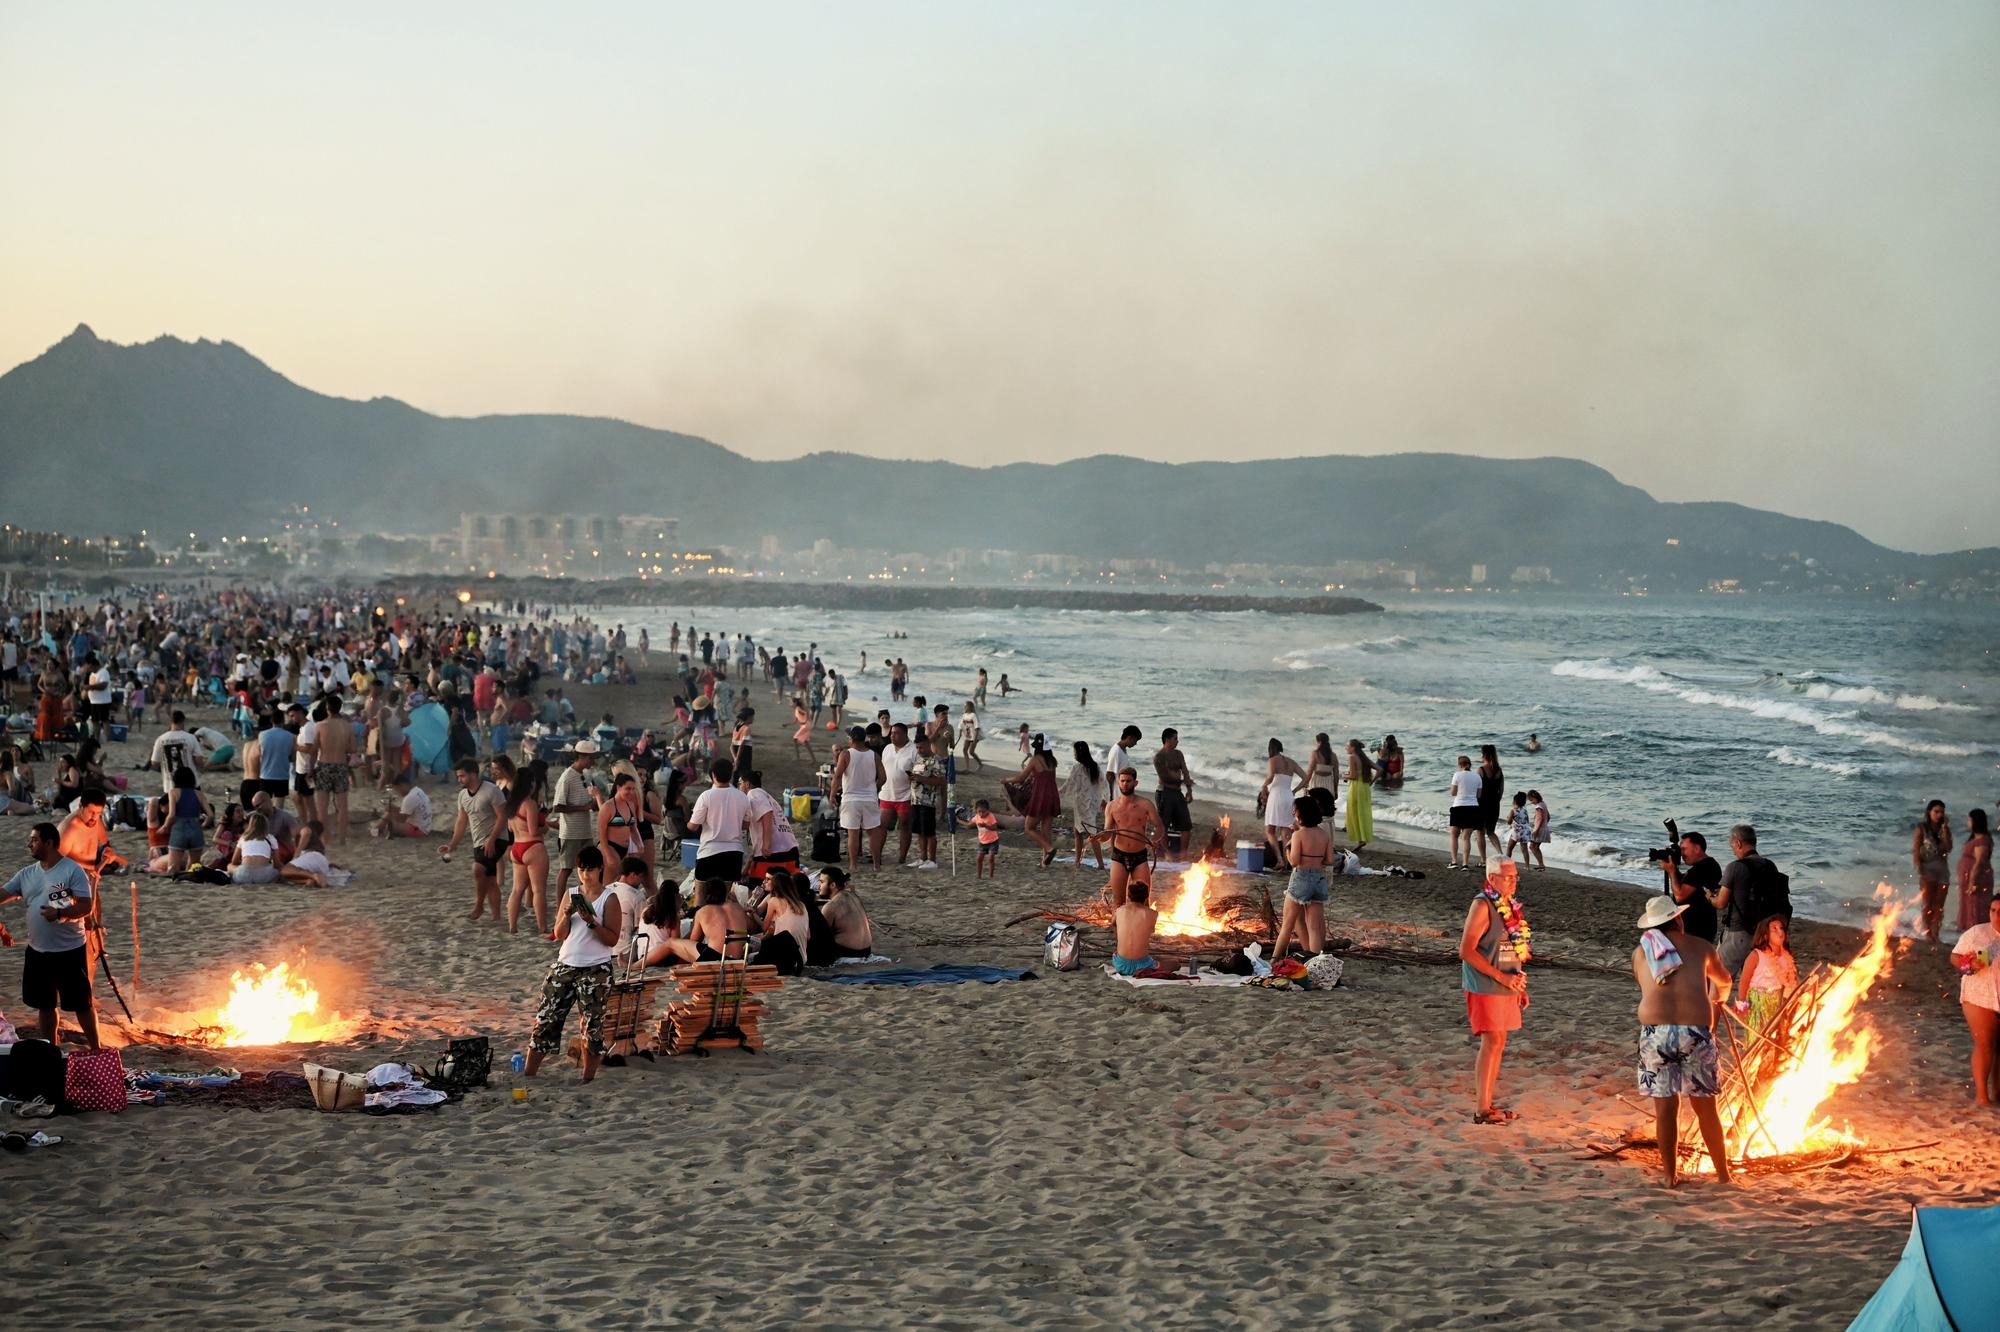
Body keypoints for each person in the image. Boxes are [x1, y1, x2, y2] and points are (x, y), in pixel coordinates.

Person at [1631, 894, 1734, 1187]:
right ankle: (1724, 1176)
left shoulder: (1641, 953)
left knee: (1665, 1109)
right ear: (1678, 919)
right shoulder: (1701, 947)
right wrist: (1718, 999)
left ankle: (1669, 1175)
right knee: (1706, 1108)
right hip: (1694, 1033)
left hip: (1656, 1033)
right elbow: (1724, 979)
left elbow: (1643, 984)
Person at [525, 847, 622, 1084]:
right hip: (566, 963)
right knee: (546, 1018)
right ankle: (529, 1074)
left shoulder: (609, 898)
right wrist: (567, 915)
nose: (585, 874)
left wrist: (592, 923)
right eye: (581, 869)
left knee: (591, 1025)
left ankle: (587, 1078)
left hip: (595, 967)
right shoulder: (571, 893)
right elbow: (559, 934)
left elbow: (612, 939)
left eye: (589, 869)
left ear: (599, 869)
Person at [0, 822, 100, 1047]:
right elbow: (4, 893)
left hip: (69, 950)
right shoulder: (27, 874)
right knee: (45, 1006)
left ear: (49, 843)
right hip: (37, 952)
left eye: (34, 840)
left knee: (81, 1005)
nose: (29, 845)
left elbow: (86, 906)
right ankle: (50, 1051)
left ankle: (96, 1049)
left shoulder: (71, 870)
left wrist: (61, 912)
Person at [1459, 860, 1528, 1125]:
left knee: (1499, 1043)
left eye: (1515, 877)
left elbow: (1512, 945)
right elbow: (1466, 950)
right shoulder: (1482, 904)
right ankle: (1481, 1108)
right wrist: (1499, 976)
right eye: (1507, 877)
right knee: (1491, 1042)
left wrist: (1519, 983)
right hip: (1486, 982)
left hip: (1506, 982)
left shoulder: (1509, 904)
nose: (1512, 881)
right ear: (1491, 877)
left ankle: (1487, 1103)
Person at [1715, 824, 1787, 975]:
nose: (1732, 849)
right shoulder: (1770, 865)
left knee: (1718, 977)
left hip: (1738, 932)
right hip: (1762, 932)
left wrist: (1709, 897)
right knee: (1752, 979)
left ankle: (1716, 1000)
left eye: (1732, 845)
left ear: (1738, 843)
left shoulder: (1734, 867)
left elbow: (1721, 903)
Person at [440, 759, 506, 922]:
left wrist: (492, 839)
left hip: (498, 838)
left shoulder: (492, 790)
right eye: (458, 776)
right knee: (490, 878)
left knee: (477, 869)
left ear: (473, 774)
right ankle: (496, 916)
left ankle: (478, 906)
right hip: (478, 841)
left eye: (462, 776)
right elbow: (461, 822)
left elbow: (502, 817)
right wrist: (452, 845)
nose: (459, 779)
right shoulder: (463, 795)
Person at [1950, 894, 2000, 1105]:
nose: (1996, 916)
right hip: (1979, 996)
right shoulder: (1977, 933)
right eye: (1993, 910)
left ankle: (1998, 1094)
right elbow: (1955, 957)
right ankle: (1982, 1097)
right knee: (1985, 1044)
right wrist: (1968, 966)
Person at [1271, 799, 1333, 960]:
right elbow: (1329, 860)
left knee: (1287, 924)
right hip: (1319, 879)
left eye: (1295, 810)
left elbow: (1294, 861)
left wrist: (1287, 847)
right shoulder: (1324, 835)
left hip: (1301, 877)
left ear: (1301, 814)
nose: (1293, 812)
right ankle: (1315, 962)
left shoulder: (1298, 835)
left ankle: (1273, 959)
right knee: (1314, 928)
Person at [547, 740, 600, 907]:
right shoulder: (567, 777)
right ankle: (559, 906)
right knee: (567, 868)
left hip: (585, 830)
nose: (593, 761)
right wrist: (583, 807)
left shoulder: (584, 775)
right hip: (570, 832)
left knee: (589, 867)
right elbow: (558, 806)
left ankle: (587, 901)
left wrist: (593, 803)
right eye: (591, 758)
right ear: (583, 757)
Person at [1101, 768, 1164, 908]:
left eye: (1128, 781)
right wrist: (1098, 838)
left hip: (1139, 857)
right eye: (1122, 781)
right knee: (1118, 903)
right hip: (1119, 856)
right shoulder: (1111, 806)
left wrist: (1154, 840)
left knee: (1143, 902)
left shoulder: (1145, 804)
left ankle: (1141, 928)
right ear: (1118, 782)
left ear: (1135, 783)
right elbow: (1107, 833)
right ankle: (1117, 928)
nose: (1125, 784)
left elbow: (1159, 827)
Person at [685, 756, 750, 883]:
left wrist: (687, 822)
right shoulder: (742, 797)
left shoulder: (706, 796)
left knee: (701, 896)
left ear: (713, 775)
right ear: (731, 775)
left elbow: (693, 826)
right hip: (734, 852)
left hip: (709, 851)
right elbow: (746, 825)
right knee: (725, 898)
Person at [505, 762, 551, 935]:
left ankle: (512, 927)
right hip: (532, 846)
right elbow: (534, 830)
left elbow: (510, 828)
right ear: (530, 783)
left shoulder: (511, 804)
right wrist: (545, 827)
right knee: (539, 890)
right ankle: (542, 927)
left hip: (517, 847)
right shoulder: (529, 804)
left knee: (517, 890)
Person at [831, 727, 885, 871]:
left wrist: (832, 795)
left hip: (851, 798)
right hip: (870, 798)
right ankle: (876, 865)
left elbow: (837, 776)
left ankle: (853, 864)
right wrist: (874, 787)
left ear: (852, 739)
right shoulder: (873, 755)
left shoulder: (846, 754)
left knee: (853, 833)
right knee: (873, 832)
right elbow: (883, 777)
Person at [1737, 915, 1798, 1034]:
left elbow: (1792, 981)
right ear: (1765, 935)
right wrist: (1742, 1007)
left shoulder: (1787, 957)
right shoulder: (1756, 955)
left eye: (1781, 928)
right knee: (1758, 1038)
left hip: (1778, 1003)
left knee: (1775, 1038)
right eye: (1774, 929)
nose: (1780, 932)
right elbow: (1744, 982)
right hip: (1758, 1004)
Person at [741, 768, 802, 879]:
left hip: (773, 851)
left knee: (756, 890)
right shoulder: (767, 796)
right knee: (787, 889)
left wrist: (766, 844)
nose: (739, 787)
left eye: (740, 783)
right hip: (790, 849)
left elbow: (767, 814)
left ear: (747, 784)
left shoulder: (753, 793)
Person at [1664, 829, 1721, 945]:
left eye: (1684, 849)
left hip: (1697, 928)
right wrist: (1674, 869)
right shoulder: (1706, 865)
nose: (1682, 854)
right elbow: (1687, 884)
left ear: (1697, 848)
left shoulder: (1703, 868)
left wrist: (1671, 871)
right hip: (1700, 926)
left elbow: (1680, 895)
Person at [313, 695, 356, 844]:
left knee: (322, 807)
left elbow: (314, 749)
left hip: (324, 765)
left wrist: (310, 769)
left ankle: (325, 838)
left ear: (327, 708)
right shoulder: (347, 726)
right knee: (342, 805)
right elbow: (353, 748)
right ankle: (342, 839)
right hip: (341, 765)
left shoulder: (320, 725)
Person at [1258, 738, 1303, 872]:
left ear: (1271, 749)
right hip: (1288, 796)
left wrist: (1264, 785)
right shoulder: (1291, 762)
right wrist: (1295, 790)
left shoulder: (1273, 760)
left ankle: (1279, 860)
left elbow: (1271, 776)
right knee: (1286, 832)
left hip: (1276, 796)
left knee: (1270, 830)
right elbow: (1306, 777)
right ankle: (1289, 861)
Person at [1913, 799, 1954, 943]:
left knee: (1939, 904)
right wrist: (1919, 867)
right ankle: (1927, 931)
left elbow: (1948, 847)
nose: (1939, 814)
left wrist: (1945, 828)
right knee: (1928, 902)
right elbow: (1916, 849)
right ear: (1929, 812)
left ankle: (1936, 931)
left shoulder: (1944, 829)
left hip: (1942, 869)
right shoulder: (1922, 828)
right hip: (1927, 868)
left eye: (1941, 812)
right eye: (1936, 811)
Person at [879, 722, 919, 866]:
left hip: (905, 794)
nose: (892, 736)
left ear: (904, 734)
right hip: (887, 792)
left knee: (904, 825)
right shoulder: (887, 749)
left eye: (896, 733)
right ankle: (878, 854)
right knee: (882, 824)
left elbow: (918, 771)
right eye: (891, 733)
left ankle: (902, 857)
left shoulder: (913, 750)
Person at [1062, 740, 1105, 872]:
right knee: (1082, 831)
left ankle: (1098, 863)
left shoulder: (1078, 767)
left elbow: (1070, 784)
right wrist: (1104, 799)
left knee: (1089, 834)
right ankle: (1078, 861)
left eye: (1075, 751)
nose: (1074, 754)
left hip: (1081, 804)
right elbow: (1103, 784)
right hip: (1092, 803)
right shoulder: (1095, 766)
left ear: (1079, 753)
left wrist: (1058, 792)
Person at [907, 731, 947, 870]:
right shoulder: (918, 760)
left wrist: (922, 779)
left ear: (929, 745)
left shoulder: (936, 760)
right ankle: (922, 857)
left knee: (929, 832)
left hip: (928, 801)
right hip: (915, 799)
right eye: (917, 748)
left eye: (922, 747)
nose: (919, 750)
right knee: (919, 831)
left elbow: (942, 781)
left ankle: (932, 860)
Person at [1151, 728, 1195, 857]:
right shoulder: (1159, 757)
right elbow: (1165, 777)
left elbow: (1185, 771)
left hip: (1177, 791)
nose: (1177, 741)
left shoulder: (1178, 754)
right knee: (1163, 824)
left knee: (1186, 824)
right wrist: (1181, 779)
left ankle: (1183, 852)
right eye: (1175, 738)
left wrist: (1189, 790)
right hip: (1164, 791)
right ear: (1168, 739)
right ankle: (1167, 852)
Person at [163, 766, 212, 874]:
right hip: (196, 829)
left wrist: (165, 827)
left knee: (172, 867)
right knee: (194, 868)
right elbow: (210, 815)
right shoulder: (199, 794)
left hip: (179, 829)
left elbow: (171, 815)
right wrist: (203, 826)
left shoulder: (173, 792)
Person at [689, 877, 752, 961]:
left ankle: (677, 967)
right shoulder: (737, 907)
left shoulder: (703, 911)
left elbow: (694, 941)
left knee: (671, 943)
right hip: (738, 959)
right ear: (725, 893)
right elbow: (751, 928)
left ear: (705, 894)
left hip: (714, 958)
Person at [818, 866, 874, 957]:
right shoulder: (853, 896)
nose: (819, 886)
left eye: (822, 882)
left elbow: (820, 935)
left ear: (833, 885)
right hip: (867, 950)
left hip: (848, 952)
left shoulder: (831, 906)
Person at [1021, 743, 1060, 866]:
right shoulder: (1052, 761)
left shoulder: (1035, 759)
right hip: (1052, 796)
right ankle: (1045, 861)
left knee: (1029, 827)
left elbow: (1021, 777)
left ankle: (1049, 849)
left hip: (1040, 797)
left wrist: (1006, 780)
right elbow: (1051, 779)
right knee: (1046, 829)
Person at [149, 711, 206, 792]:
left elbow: (155, 763)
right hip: (190, 782)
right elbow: (199, 760)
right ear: (183, 721)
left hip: (171, 785)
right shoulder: (190, 737)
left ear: (171, 721)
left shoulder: (160, 739)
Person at [1112, 879, 1159, 977]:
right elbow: (1151, 930)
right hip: (1143, 967)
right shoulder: (1153, 914)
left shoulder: (1119, 910)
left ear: (1128, 895)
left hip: (1120, 965)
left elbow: (1113, 924)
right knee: (1175, 964)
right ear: (1146, 896)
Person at [1957, 808, 1993, 934]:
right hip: (1969, 878)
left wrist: (1973, 881)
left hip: (1977, 879)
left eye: (1969, 820)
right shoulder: (1976, 838)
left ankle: (1978, 942)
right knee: (1970, 906)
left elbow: (1979, 863)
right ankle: (1971, 937)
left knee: (1977, 908)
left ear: (1975, 822)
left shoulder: (1982, 841)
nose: (1968, 822)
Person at [1446, 754, 1482, 870]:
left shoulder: (1457, 775)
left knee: (1454, 835)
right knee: (1466, 837)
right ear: (1469, 764)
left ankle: (1454, 861)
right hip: (1472, 808)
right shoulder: (1477, 777)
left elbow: (1453, 793)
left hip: (1459, 807)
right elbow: (1478, 795)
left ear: (1459, 765)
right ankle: (1465, 864)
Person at [229, 812, 280, 884]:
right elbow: (277, 864)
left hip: (243, 875)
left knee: (229, 866)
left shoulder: (243, 838)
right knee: (277, 871)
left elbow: (234, 861)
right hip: (264, 876)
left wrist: (244, 863)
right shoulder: (271, 838)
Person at [1476, 744, 1505, 864]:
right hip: (1494, 804)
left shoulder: (1481, 770)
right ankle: (1501, 854)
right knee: (1491, 832)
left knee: (1480, 832)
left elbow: (1477, 790)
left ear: (1484, 755)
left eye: (1481, 753)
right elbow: (1501, 789)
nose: (1480, 755)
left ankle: (1483, 860)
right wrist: (1496, 801)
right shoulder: (1499, 770)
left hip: (1482, 804)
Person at [1344, 738, 1375, 849]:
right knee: (1363, 812)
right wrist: (1371, 782)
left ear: (1353, 747)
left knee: (1354, 812)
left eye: (1348, 746)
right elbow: (1380, 769)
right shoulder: (1363, 758)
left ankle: (1361, 840)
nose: (1346, 748)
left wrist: (1343, 776)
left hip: (1356, 787)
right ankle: (1362, 839)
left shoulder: (1352, 757)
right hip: (1365, 787)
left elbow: (1353, 776)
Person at [971, 798, 1000, 878]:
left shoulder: (991, 816)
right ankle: (979, 876)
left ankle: (991, 876)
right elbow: (969, 824)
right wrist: (958, 820)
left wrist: (985, 825)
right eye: (979, 811)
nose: (981, 814)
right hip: (982, 842)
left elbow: (994, 827)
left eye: (983, 812)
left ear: (988, 810)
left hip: (993, 841)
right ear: (976, 810)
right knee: (979, 859)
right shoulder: (977, 817)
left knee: (991, 858)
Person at [958, 702, 982, 770]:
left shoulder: (973, 715)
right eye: (964, 706)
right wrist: (960, 732)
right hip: (967, 735)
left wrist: (975, 739)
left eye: (966, 706)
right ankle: (967, 767)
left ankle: (980, 763)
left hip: (974, 735)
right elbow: (961, 724)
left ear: (970, 707)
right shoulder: (964, 715)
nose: (965, 707)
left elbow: (977, 727)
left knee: (971, 752)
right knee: (964, 750)